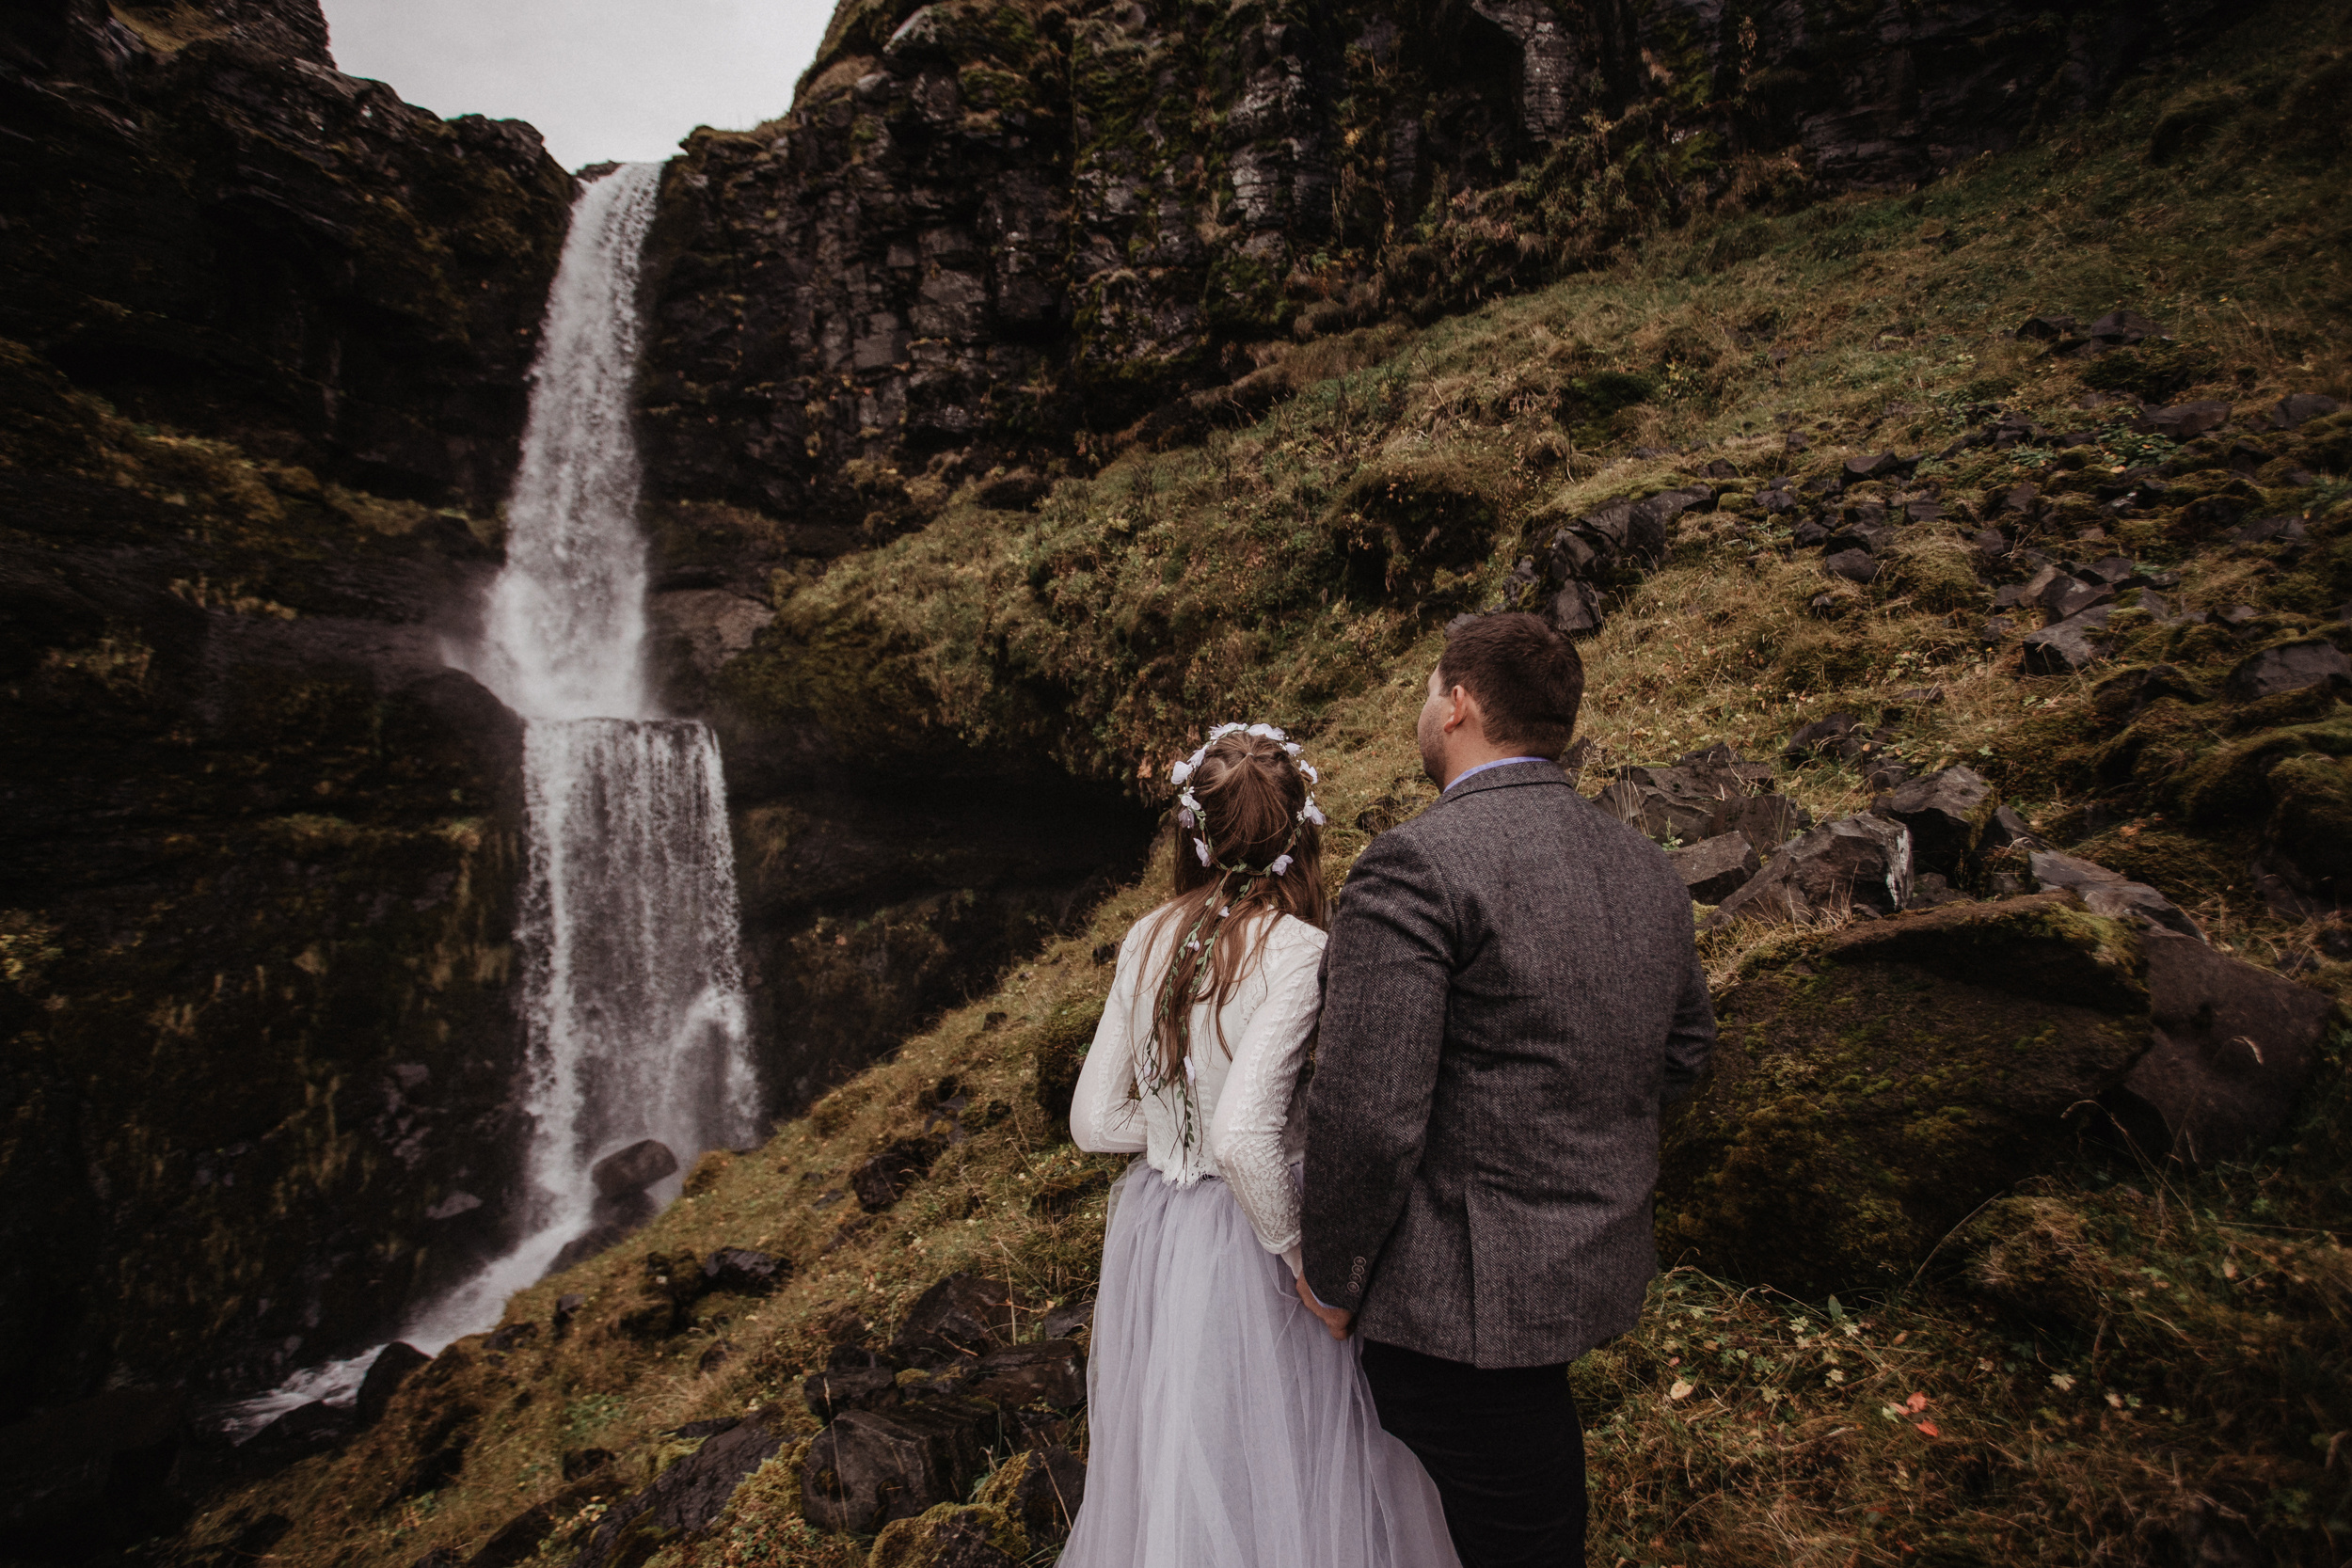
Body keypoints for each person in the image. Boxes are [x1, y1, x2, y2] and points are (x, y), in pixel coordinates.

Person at [1297, 610, 1717, 1568]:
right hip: (1582, 1269)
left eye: (1422, 692)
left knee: (1521, 1535)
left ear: (1457, 704)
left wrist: (1331, 1273)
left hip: (1455, 1308)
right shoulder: (1643, 864)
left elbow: (1367, 1108)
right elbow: (1684, 1050)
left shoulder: (1415, 863)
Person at [1061, 723, 1460, 1568]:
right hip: (1255, 1234)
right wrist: (1303, 1260)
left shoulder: (1144, 937)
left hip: (1160, 1232)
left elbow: (1095, 1120)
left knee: (1186, 1449)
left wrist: (1175, 1135)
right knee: (1298, 1454)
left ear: (1193, 834)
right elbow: (1247, 1136)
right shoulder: (1299, 948)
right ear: (1300, 834)